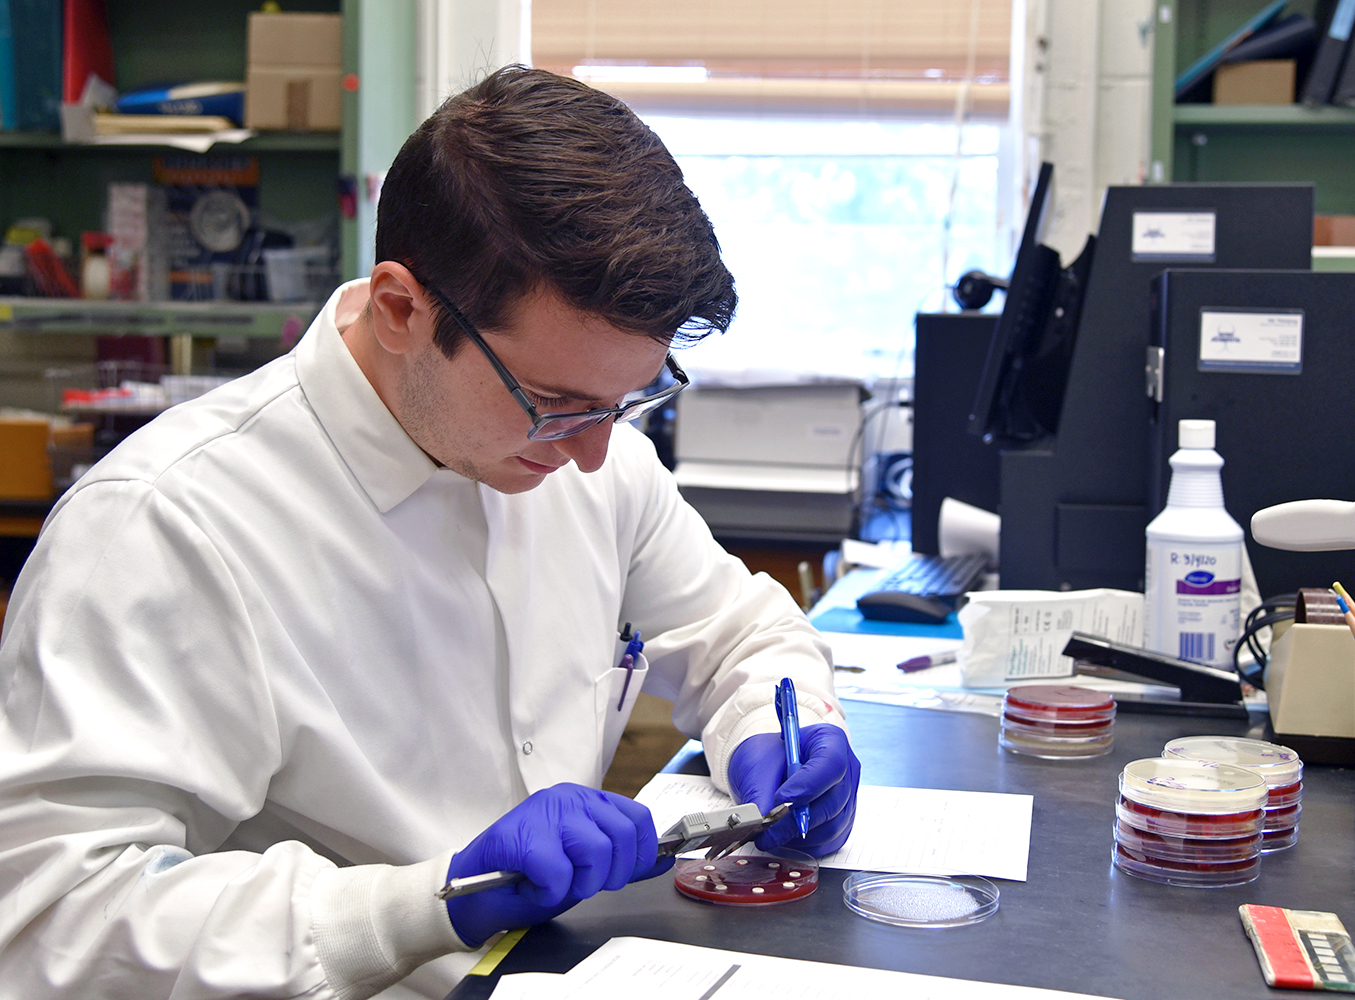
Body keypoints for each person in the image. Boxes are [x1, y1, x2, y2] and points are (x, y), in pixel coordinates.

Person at [0, 66, 859, 999]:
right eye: (555, 403)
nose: (594, 456)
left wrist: (785, 725)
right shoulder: (166, 527)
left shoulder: (582, 456)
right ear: (404, 308)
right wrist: (426, 906)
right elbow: (52, 923)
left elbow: (739, 633)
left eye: (629, 401)